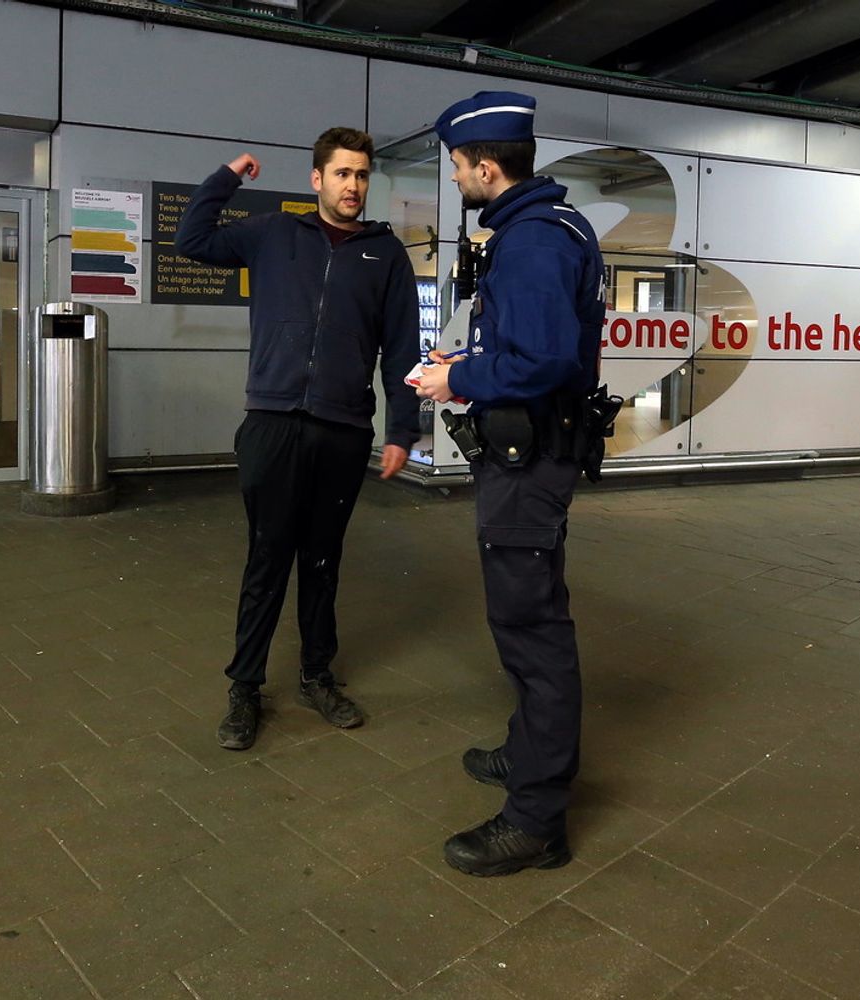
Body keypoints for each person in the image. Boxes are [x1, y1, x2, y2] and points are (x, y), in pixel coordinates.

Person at [174, 127, 421, 751]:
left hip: (342, 430)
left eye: (362, 175)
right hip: (273, 422)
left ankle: (317, 675)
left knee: (321, 561)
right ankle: (244, 687)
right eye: (342, 174)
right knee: (267, 559)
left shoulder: (385, 255)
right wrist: (227, 176)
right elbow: (191, 238)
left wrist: (402, 429)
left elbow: (401, 349)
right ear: (317, 179)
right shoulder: (274, 233)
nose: (353, 185)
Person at [415, 91, 606, 875]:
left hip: (528, 466)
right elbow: (537, 349)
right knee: (528, 621)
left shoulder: (530, 244)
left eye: (460, 167)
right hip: (535, 453)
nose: (458, 179)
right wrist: (472, 366)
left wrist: (455, 381)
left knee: (532, 633)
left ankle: (536, 819)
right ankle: (530, 754)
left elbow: (542, 362)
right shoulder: (555, 227)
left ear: (487, 167)